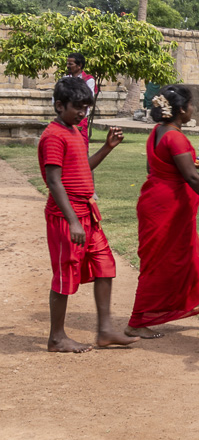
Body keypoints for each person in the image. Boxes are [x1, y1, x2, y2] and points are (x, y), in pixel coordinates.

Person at [38, 76, 137, 352]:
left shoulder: (74, 132)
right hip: (65, 215)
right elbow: (54, 181)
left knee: (105, 265)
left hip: (87, 214)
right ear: (59, 105)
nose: (82, 113)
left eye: (86, 108)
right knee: (65, 273)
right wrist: (72, 221)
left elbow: (83, 167)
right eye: (77, 107)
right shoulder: (54, 136)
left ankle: (105, 330)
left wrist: (107, 148)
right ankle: (56, 338)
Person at [127, 85, 199, 338]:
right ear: (181, 109)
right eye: (191, 105)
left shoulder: (157, 132)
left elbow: (156, 167)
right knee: (159, 262)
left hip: (157, 199)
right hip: (168, 206)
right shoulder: (175, 136)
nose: (193, 109)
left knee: (188, 253)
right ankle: (137, 321)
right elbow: (191, 177)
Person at [64, 52, 97, 146]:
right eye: (67, 63)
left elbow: (87, 100)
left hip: (80, 120)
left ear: (79, 65)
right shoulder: (64, 80)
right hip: (66, 119)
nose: (68, 66)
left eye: (70, 64)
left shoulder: (88, 80)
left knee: (80, 146)